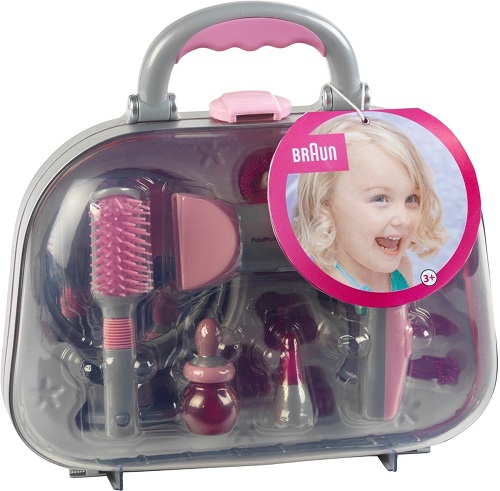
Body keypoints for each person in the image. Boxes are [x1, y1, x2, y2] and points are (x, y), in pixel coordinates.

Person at [292, 114, 448, 292]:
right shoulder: (328, 286)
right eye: (380, 199)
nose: (403, 219)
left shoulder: (401, 267)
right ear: (324, 204)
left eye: (411, 199)